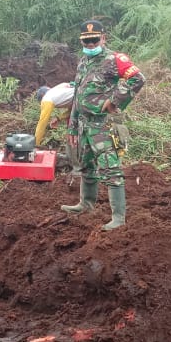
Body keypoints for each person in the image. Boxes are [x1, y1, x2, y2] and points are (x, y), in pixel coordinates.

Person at [60, 20, 145, 230]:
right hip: (84, 123)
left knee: (110, 167)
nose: (90, 44)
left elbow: (138, 78)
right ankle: (86, 204)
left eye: (94, 40)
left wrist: (115, 100)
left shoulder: (114, 60)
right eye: (86, 41)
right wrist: (72, 127)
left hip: (103, 124)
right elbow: (78, 96)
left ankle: (118, 218)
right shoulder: (83, 62)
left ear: (103, 38)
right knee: (86, 165)